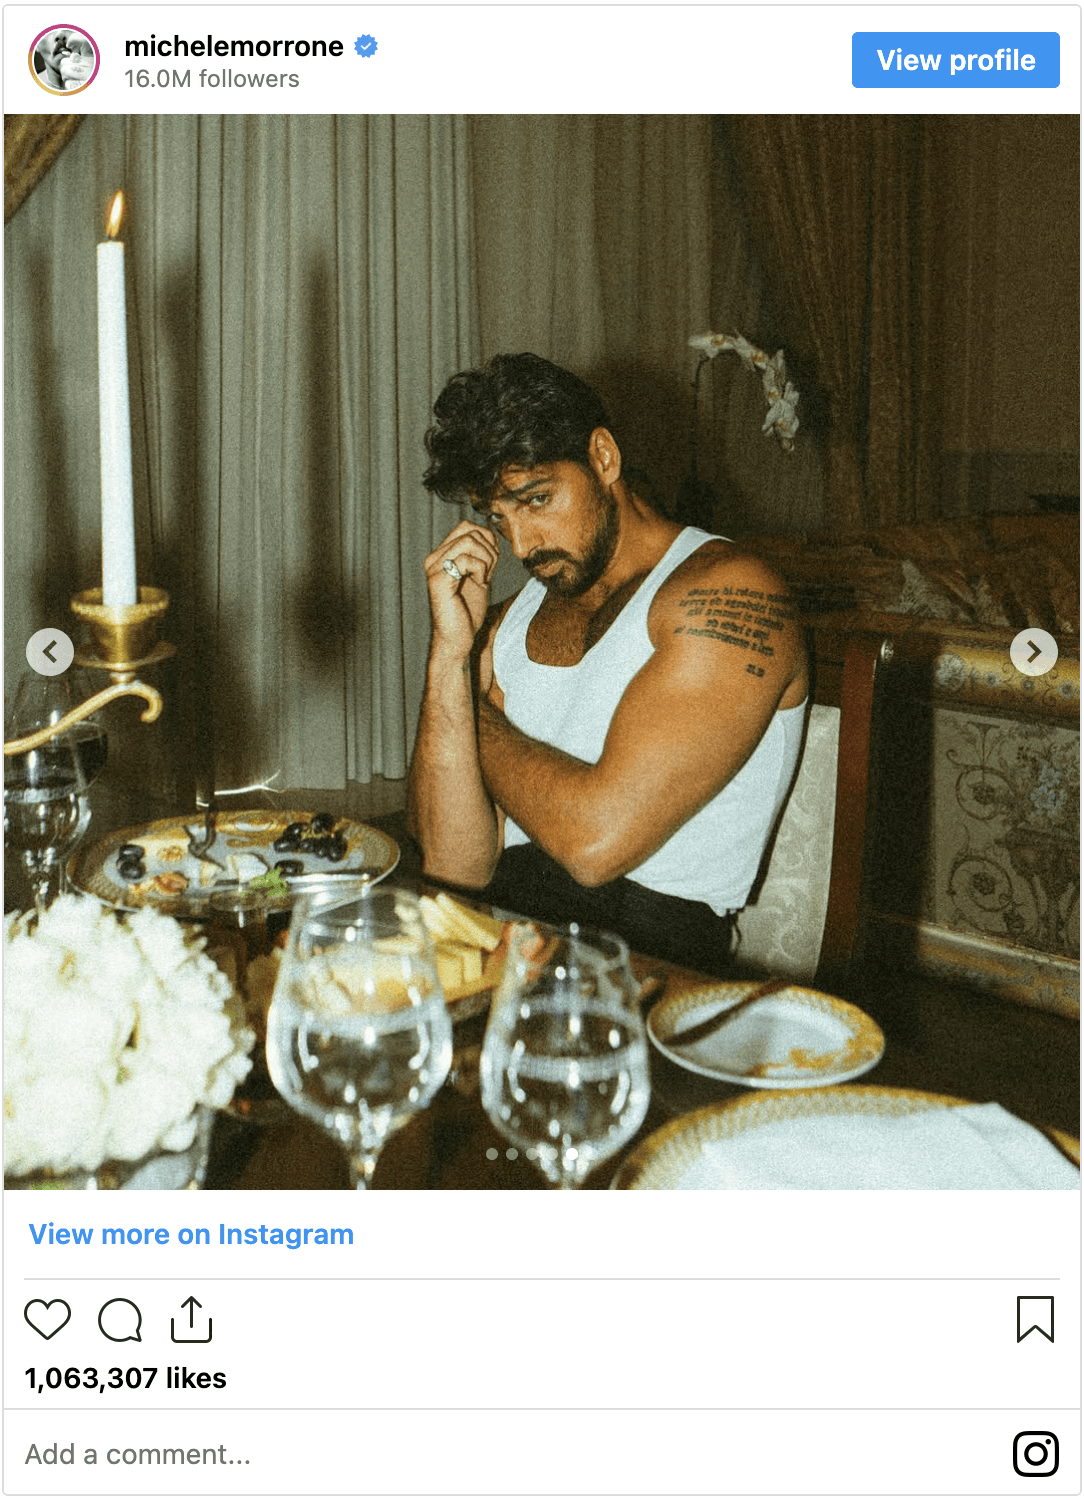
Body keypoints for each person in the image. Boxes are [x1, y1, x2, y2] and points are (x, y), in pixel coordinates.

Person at [407, 353, 809, 975]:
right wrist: (449, 656)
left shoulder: (729, 593)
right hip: (508, 953)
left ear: (603, 457)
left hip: (652, 966)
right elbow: (452, 866)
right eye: (499, 517)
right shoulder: (510, 615)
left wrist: (469, 712)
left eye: (536, 499)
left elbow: (594, 845)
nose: (521, 546)